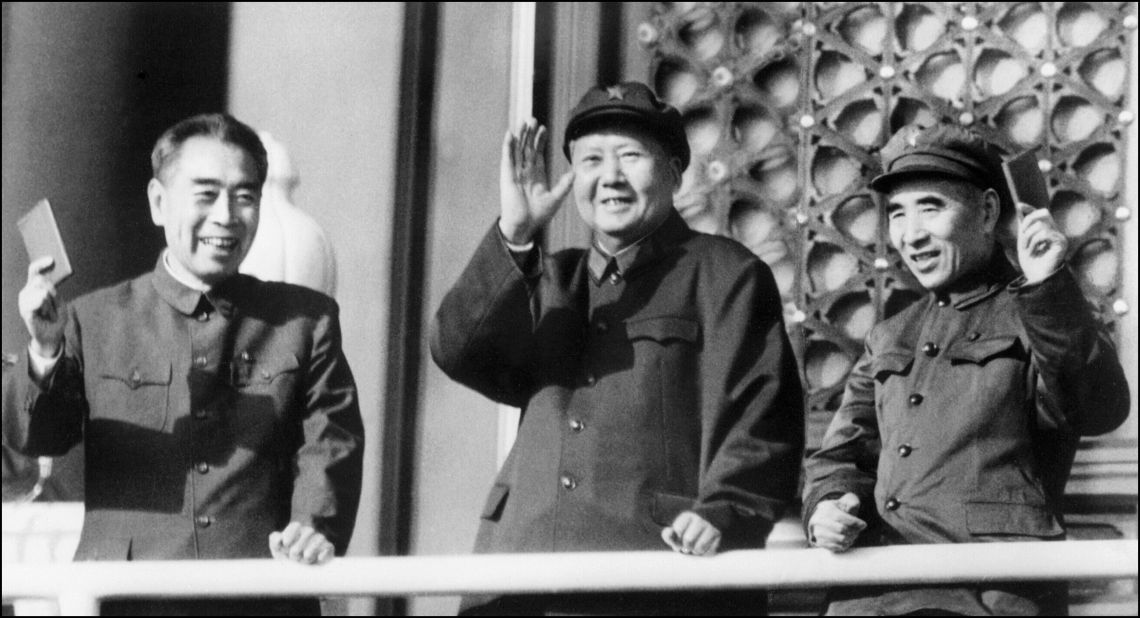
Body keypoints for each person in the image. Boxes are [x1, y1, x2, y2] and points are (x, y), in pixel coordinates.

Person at [431, 82, 805, 615]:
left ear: (675, 172)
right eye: (590, 160)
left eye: (631, 156)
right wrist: (514, 236)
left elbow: (759, 421)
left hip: (655, 577)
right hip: (520, 577)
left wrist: (725, 512)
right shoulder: (547, 278)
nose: (610, 177)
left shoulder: (726, 275)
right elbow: (457, 351)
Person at [8, 113, 364, 615]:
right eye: (206, 194)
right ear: (158, 202)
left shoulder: (304, 321)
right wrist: (45, 349)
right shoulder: (94, 318)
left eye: (244, 196)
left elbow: (331, 440)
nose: (226, 216)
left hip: (257, 599)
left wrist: (314, 526)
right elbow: (38, 437)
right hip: (128, 602)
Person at [801, 124, 1130, 615]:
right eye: (896, 213)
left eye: (931, 207)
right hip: (873, 595)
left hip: (990, 597)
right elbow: (841, 456)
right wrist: (828, 506)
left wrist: (1049, 288)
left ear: (987, 212)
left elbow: (1098, 409)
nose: (911, 235)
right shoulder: (890, 335)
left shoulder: (1042, 311)